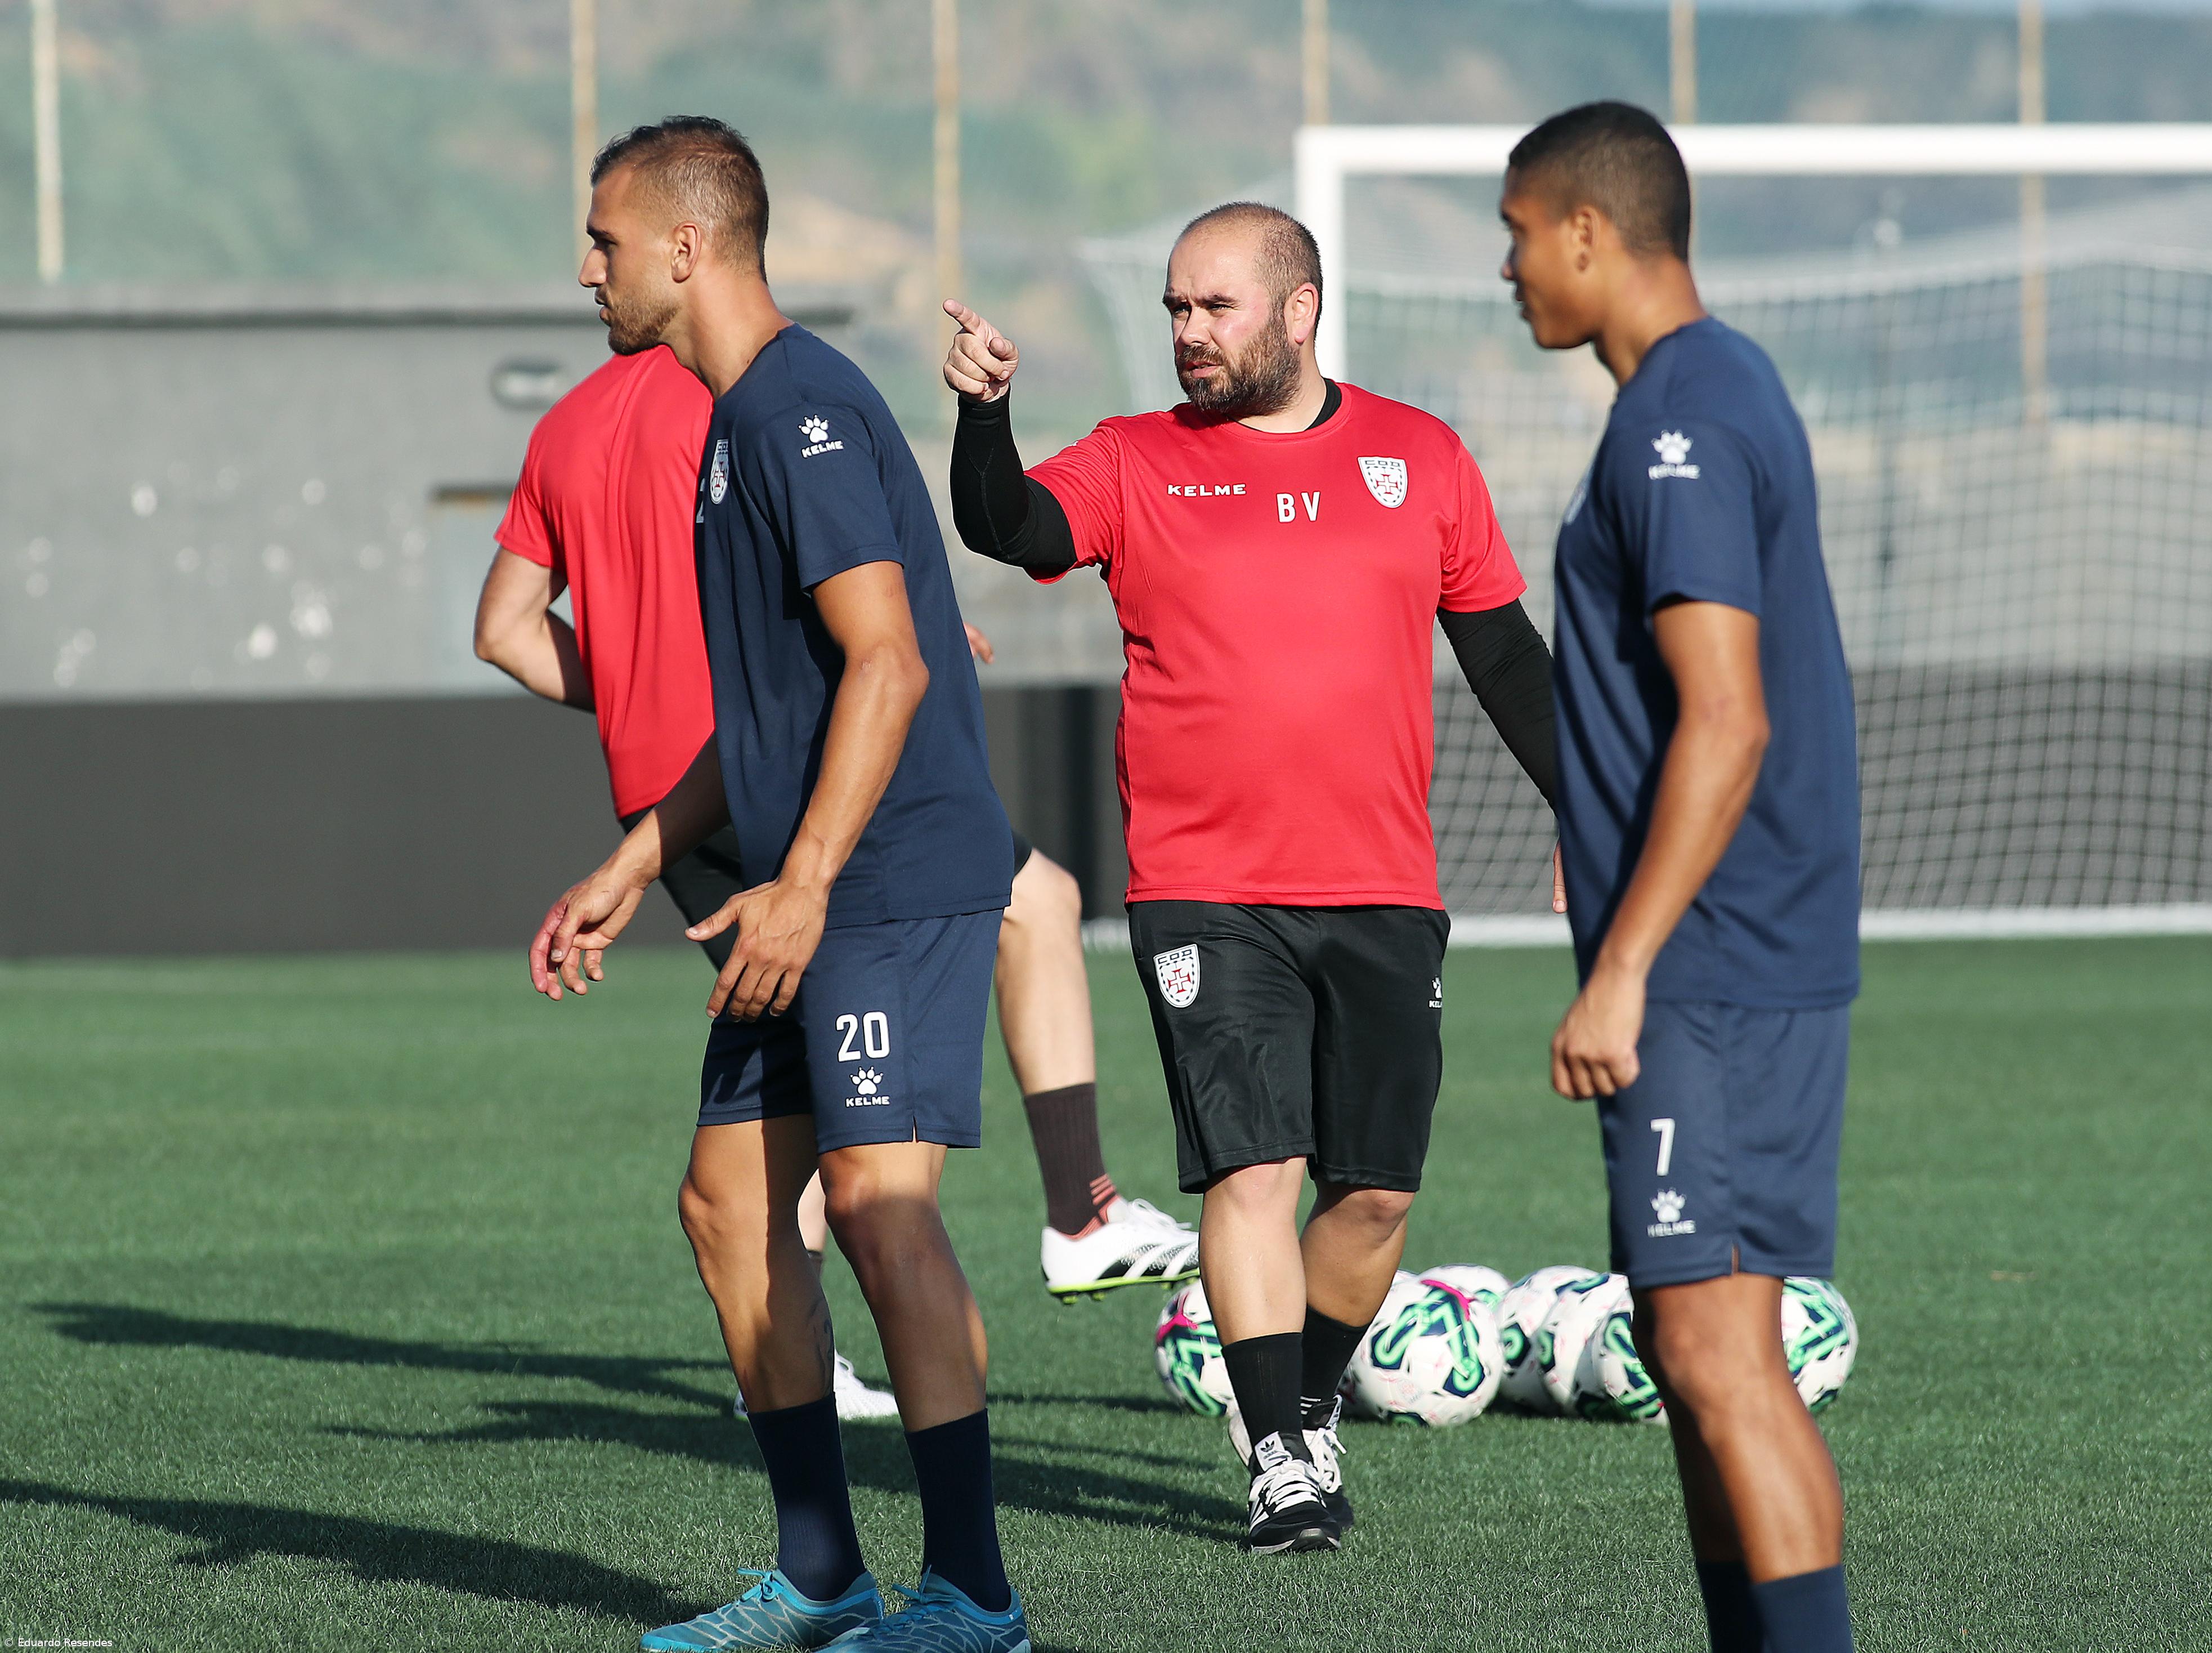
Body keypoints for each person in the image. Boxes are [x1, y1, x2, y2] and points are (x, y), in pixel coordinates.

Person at [942, 202, 1559, 1554]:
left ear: (1299, 310)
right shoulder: (1133, 459)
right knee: (1254, 1167)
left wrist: (1591, 811)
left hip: (1385, 883)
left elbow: (1509, 660)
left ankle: (1307, 1399)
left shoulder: (1422, 457)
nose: (1186, 335)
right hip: (1204, 887)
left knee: (1378, 1192)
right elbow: (1012, 529)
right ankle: (1281, 1454)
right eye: (1175, 309)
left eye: (1213, 308)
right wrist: (985, 416)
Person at [532, 117, 1028, 1652]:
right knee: (728, 1209)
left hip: (882, 879)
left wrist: (804, 883)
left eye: (605, 239)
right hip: (799, 881)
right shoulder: (728, 425)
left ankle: (974, 1597)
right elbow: (767, 721)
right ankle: (823, 1576)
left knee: (881, 1208)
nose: (587, 268)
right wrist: (634, 862)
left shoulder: (803, 411)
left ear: (686, 248)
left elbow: (886, 662)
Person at [473, 364, 1195, 1317]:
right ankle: (1083, 1214)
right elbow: (820, 575)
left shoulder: (562, 429)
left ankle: (787, 1358)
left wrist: (639, 687)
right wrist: (899, 631)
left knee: (792, 1069)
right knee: (1034, 908)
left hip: (658, 795)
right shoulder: (747, 399)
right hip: (778, 765)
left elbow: (505, 634)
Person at [1504, 102, 1860, 1653]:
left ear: (1588, 230)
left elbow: (1727, 715)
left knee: (1719, 1361)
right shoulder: (1705, 391)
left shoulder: (1682, 417)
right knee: (1695, 1342)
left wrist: (1626, 965)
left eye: (1518, 232)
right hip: (1729, 959)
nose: (1508, 268)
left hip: (1709, 969)